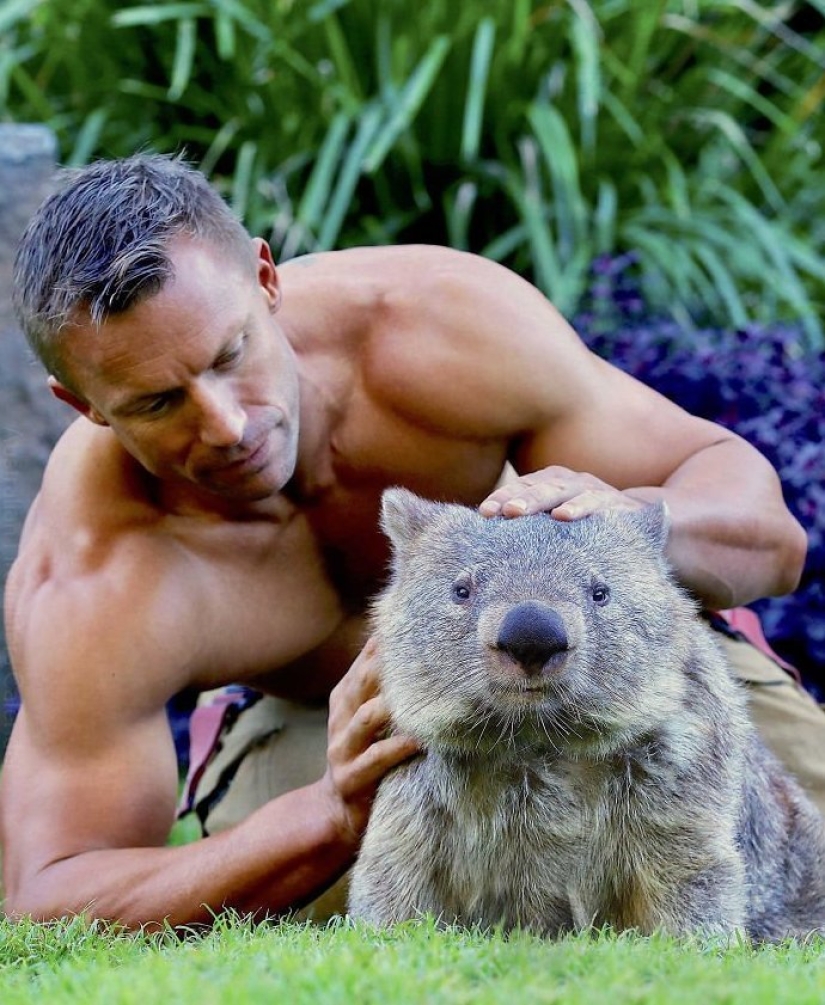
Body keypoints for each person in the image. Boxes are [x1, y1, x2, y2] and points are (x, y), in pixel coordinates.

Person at [1, 153, 820, 932]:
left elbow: (769, 539)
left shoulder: (440, 331)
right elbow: (50, 897)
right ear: (85, 408)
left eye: (230, 354)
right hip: (332, 732)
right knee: (399, 894)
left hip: (612, 669)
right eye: (154, 404)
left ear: (265, 277)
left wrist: (628, 517)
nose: (228, 424)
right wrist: (323, 815)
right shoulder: (98, 573)